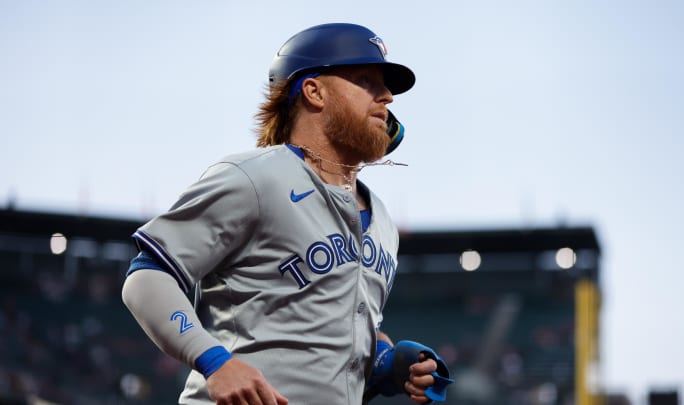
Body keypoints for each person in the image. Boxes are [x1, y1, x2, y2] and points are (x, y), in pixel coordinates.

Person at [121, 22, 451, 404]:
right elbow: (147, 277)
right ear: (314, 92)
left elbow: (335, 333)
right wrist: (215, 361)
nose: (388, 97)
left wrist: (387, 362)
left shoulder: (384, 225)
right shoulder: (255, 177)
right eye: (365, 81)